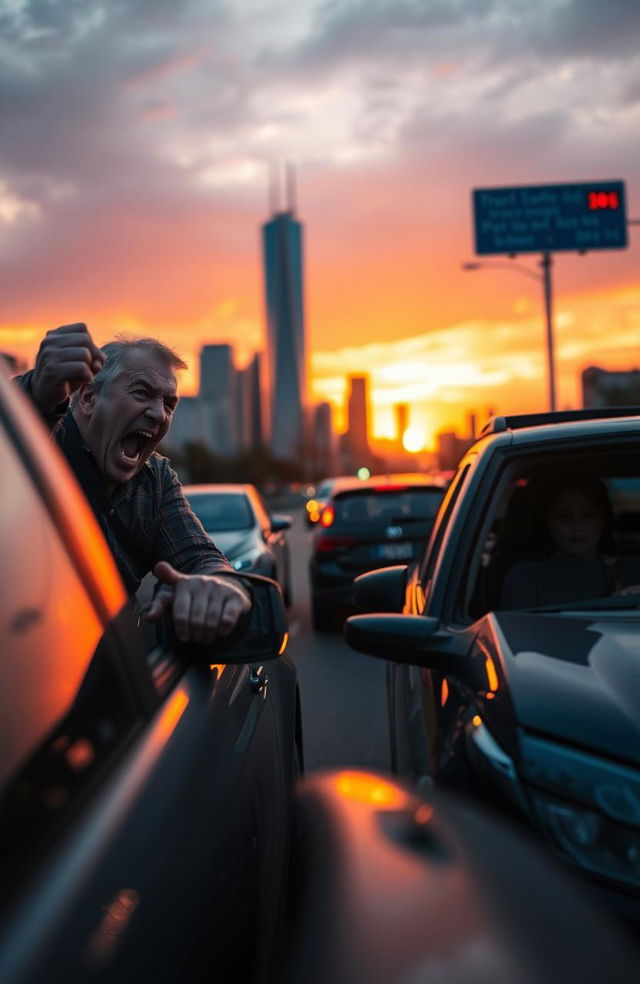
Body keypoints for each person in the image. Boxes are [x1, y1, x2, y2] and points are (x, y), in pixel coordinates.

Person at [17, 321, 251, 643]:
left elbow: (199, 556)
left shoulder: (154, 478)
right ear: (86, 398)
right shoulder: (39, 448)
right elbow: (12, 448)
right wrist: (37, 394)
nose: (159, 414)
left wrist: (217, 585)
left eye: (169, 404)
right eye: (142, 393)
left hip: (111, 674)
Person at [500, 471, 640, 609]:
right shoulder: (526, 578)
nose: (576, 526)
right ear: (547, 521)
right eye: (563, 516)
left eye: (587, 515)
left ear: (603, 520)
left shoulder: (632, 571)